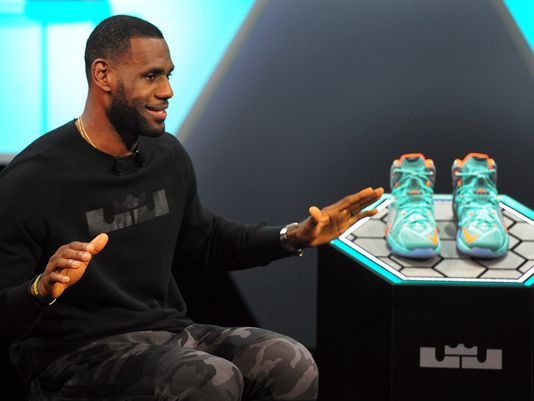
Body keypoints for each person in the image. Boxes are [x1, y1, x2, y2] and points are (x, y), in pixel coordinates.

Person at [0, 15, 383, 401]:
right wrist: (40, 288)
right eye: (151, 76)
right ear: (104, 75)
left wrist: (293, 236)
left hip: (167, 336)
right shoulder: (33, 178)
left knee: (290, 362)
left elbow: (206, 240)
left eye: (168, 75)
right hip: (74, 358)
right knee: (208, 379)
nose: (167, 91)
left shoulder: (166, 155)